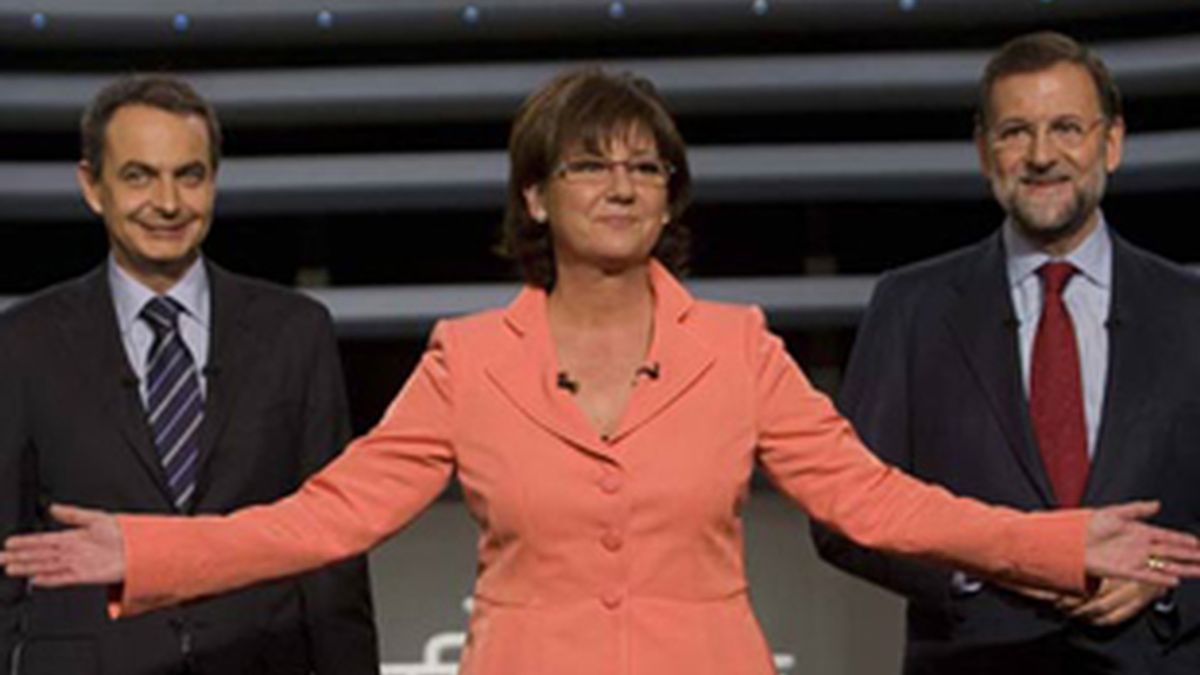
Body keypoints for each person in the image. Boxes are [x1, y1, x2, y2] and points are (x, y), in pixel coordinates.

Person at [4, 67, 1200, 675]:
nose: (623, 186)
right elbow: (331, 517)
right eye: (590, 166)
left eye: (646, 168)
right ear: (537, 194)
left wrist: (1058, 541)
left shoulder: (737, 344)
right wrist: (150, 553)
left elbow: (875, 501)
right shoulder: (470, 359)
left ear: (669, 194)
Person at [811, 31, 1200, 674]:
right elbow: (843, 515)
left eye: (1067, 128)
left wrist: (1164, 579)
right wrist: (989, 563)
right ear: (984, 151)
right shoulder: (911, 307)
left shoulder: (1189, 310)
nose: (1042, 155)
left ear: (1113, 142)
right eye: (1016, 132)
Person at [0, 75, 378, 674]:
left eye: (189, 175)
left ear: (213, 183)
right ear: (91, 187)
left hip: (258, 659)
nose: (169, 202)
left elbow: (330, 551)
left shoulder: (294, 332)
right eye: (138, 176)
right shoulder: (21, 343)